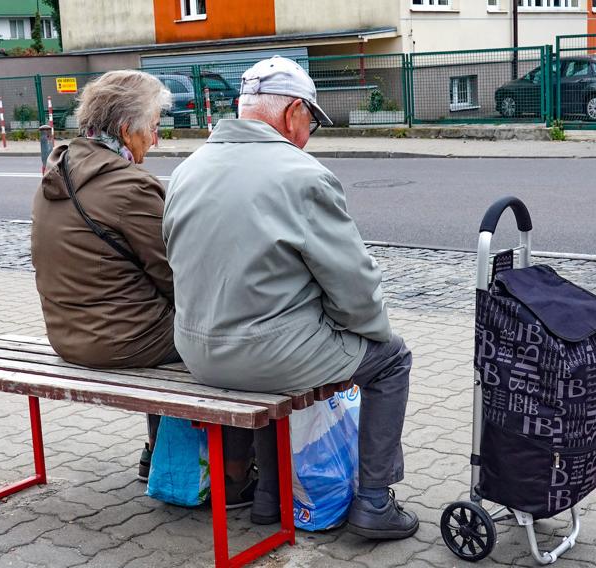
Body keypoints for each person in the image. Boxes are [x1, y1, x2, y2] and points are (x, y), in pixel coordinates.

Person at [163, 56, 417, 540]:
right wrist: (370, 331)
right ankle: (374, 502)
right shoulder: (302, 174)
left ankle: (267, 498)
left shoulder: (186, 170)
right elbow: (353, 286)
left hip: (198, 352)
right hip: (267, 355)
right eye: (312, 122)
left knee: (271, 342)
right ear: (292, 112)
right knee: (392, 360)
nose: (310, 134)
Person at [31, 70, 255, 506]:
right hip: (117, 341)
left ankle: (155, 455)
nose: (155, 140)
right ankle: (233, 474)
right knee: (230, 339)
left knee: (170, 321)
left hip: (67, 334)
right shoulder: (129, 187)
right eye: (152, 127)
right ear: (124, 129)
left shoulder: (57, 171)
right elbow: (178, 275)